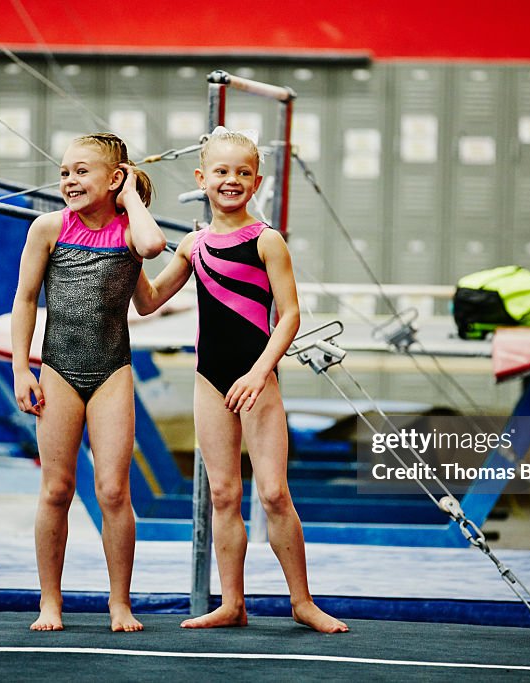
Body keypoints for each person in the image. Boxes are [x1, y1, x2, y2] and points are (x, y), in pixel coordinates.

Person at [133, 129, 348, 633]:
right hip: (209, 379)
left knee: (273, 493)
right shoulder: (194, 243)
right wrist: (129, 241)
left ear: (256, 181)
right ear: (201, 177)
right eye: (222, 172)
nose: (232, 181)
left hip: (257, 378)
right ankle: (232, 603)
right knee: (224, 494)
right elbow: (147, 302)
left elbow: (291, 316)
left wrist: (259, 372)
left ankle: (302, 602)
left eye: (242, 173)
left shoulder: (266, 240)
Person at [11, 133, 167, 632]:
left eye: (82, 171)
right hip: (57, 370)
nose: (69, 181)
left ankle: (119, 602)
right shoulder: (48, 228)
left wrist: (130, 200)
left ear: (114, 178)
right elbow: (25, 299)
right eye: (64, 172)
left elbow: (152, 246)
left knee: (113, 491)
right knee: (56, 489)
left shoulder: (129, 231)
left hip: (111, 372)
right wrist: (21, 367)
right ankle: (49, 601)